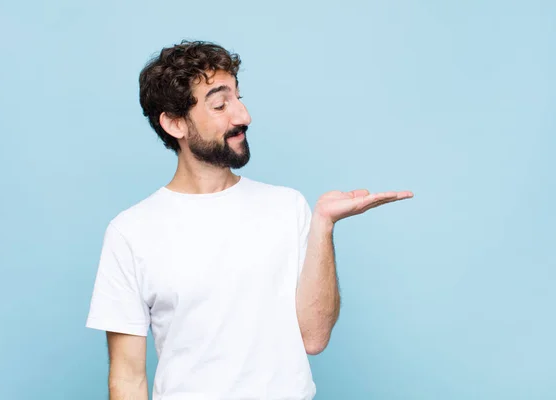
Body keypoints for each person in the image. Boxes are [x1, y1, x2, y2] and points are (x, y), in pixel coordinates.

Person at [85, 40, 413, 400]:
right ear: (175, 123)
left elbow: (315, 338)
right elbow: (128, 379)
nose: (243, 116)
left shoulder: (287, 207)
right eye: (220, 104)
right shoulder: (131, 232)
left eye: (238, 98)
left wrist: (323, 224)